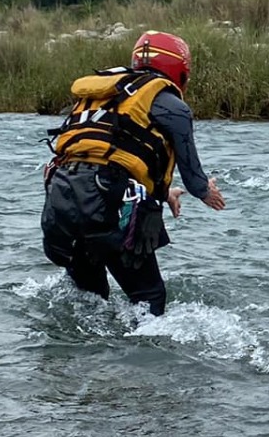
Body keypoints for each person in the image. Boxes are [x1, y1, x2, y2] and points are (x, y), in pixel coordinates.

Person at [40, 30, 226, 317]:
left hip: (60, 202)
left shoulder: (106, 95)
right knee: (149, 298)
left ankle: (92, 362)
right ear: (180, 71)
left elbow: (107, 158)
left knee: (90, 302)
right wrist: (204, 191)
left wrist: (165, 193)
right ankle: (142, 361)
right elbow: (192, 174)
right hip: (108, 203)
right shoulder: (171, 104)